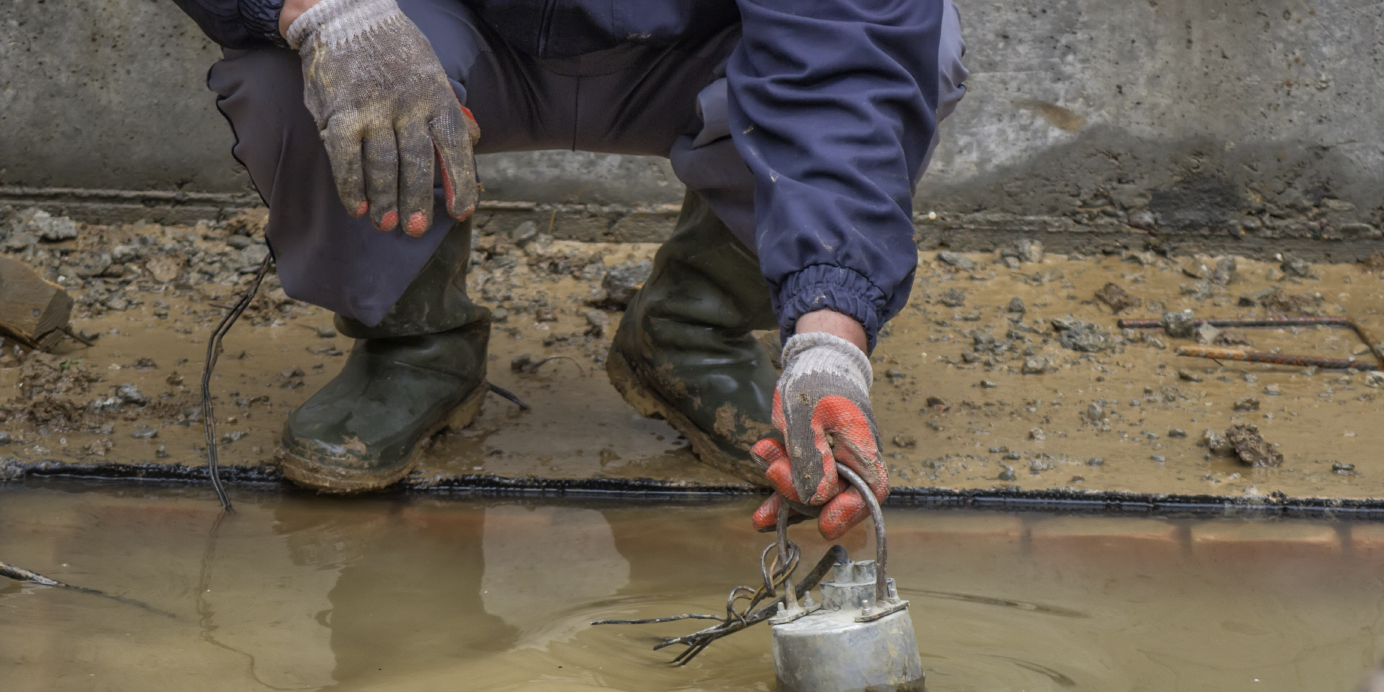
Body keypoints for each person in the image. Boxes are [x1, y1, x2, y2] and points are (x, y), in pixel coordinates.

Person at [170, 0, 966, 538]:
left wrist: (830, 337)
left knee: (921, 55)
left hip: (695, 45)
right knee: (290, 66)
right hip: (434, 24)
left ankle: (695, 327)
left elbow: (847, 57)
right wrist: (325, 10)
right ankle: (415, 342)